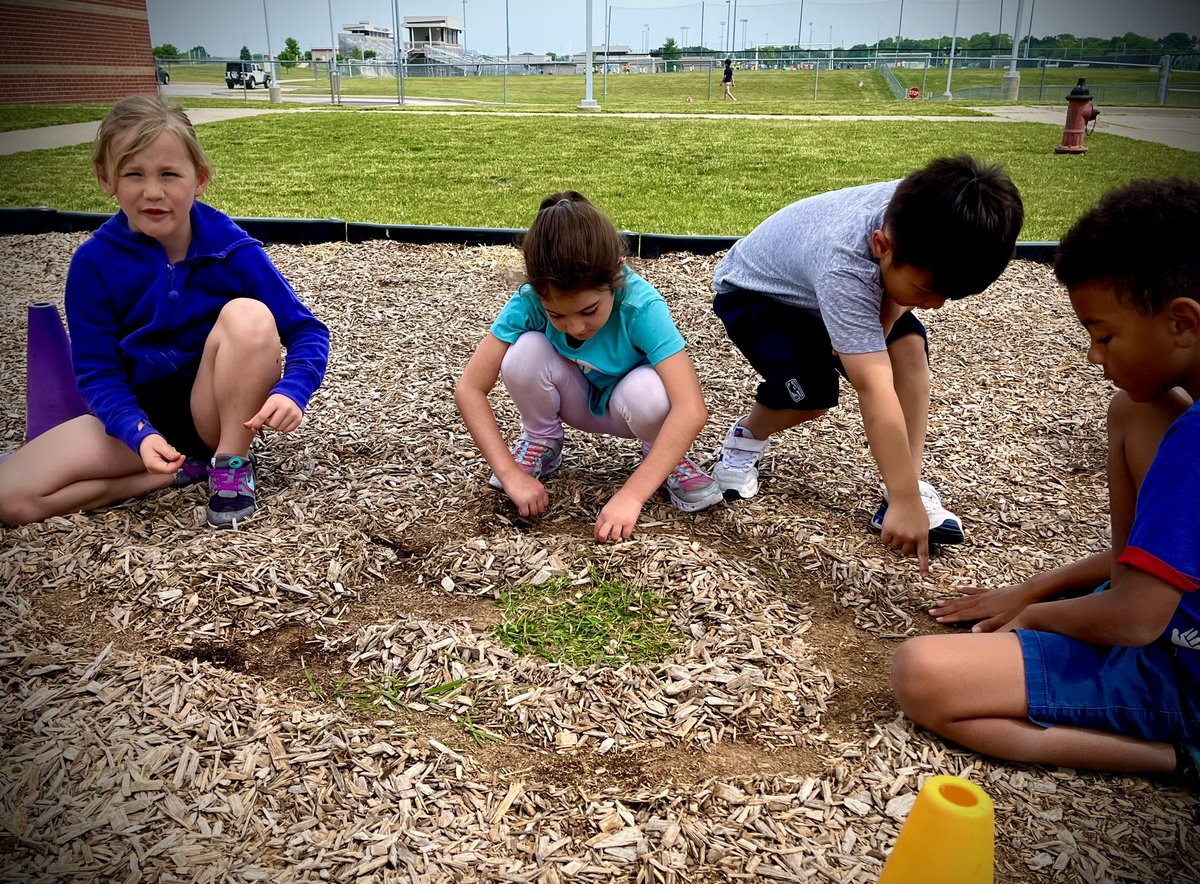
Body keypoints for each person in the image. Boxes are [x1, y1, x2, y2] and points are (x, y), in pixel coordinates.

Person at [892, 179, 1200, 787]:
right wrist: (1035, 587)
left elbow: (1137, 621)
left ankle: (1179, 758)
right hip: (1167, 606)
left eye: (1104, 335)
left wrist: (1037, 615)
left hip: (1183, 666)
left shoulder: (1195, 439)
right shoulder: (1170, 414)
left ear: (1182, 322)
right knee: (1132, 408)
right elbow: (1142, 568)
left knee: (922, 674)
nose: (1093, 355)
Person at [0, 95, 329, 529]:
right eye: (133, 174)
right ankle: (173, 474)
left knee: (249, 315)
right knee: (11, 498)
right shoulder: (94, 264)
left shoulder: (233, 250)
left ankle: (229, 464)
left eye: (169, 174)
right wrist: (138, 433)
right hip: (132, 423)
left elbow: (306, 330)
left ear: (199, 179)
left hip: (213, 414)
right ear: (106, 178)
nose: (152, 191)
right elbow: (97, 373)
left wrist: (293, 391)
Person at [711, 155, 1024, 574]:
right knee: (812, 393)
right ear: (882, 246)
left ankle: (904, 487)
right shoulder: (846, 265)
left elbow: (897, 306)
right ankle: (745, 439)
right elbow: (873, 388)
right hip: (759, 295)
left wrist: (889, 314)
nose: (935, 304)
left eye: (951, 295)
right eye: (929, 290)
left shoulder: (927, 209)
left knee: (909, 350)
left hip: (839, 280)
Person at [455, 191, 720, 543]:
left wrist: (632, 496)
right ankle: (541, 441)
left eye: (589, 310)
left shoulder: (642, 307)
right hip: (576, 399)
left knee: (652, 393)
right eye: (557, 315)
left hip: (632, 408)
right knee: (523, 352)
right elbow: (470, 388)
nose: (575, 327)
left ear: (615, 274)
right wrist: (509, 475)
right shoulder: (529, 301)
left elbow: (691, 407)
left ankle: (661, 457)